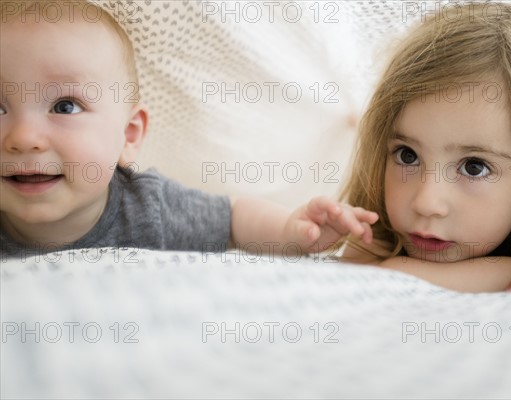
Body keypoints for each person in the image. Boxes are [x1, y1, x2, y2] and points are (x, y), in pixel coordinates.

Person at [0, 0, 378, 260]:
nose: (22, 138)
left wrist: (291, 231)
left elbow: (232, 220)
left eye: (65, 106)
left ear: (128, 136)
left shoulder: (149, 209)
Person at [339, 2, 511, 296]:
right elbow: (375, 278)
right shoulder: (373, 237)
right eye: (407, 155)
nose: (426, 202)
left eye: (474, 166)